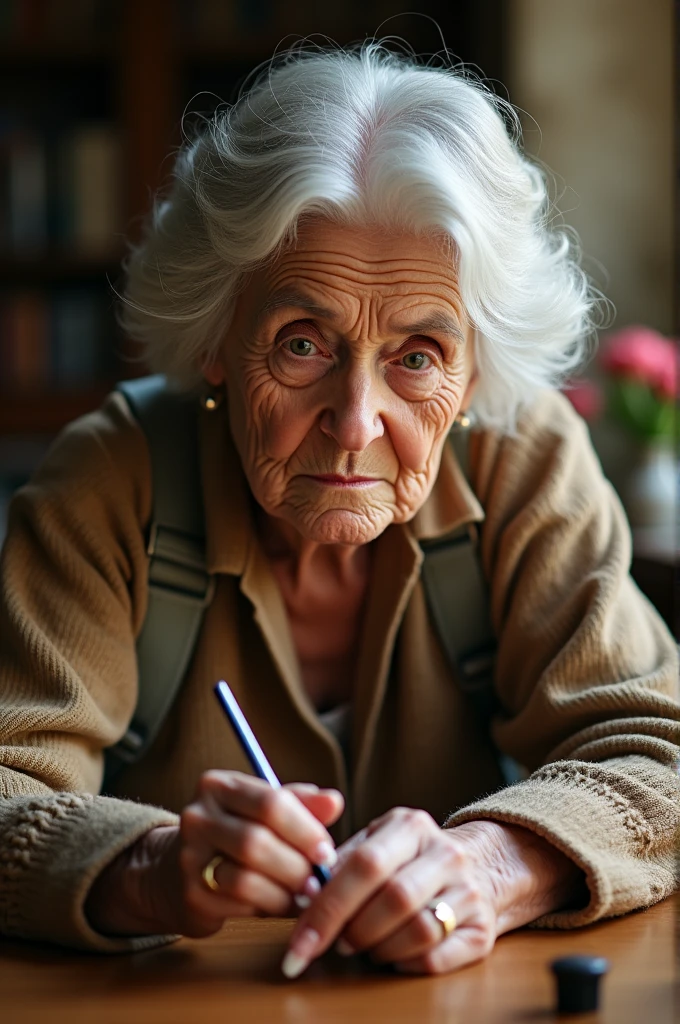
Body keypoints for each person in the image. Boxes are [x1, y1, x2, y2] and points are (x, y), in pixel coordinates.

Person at [0, 43, 677, 979]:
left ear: (477, 371)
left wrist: (492, 864)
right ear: (216, 339)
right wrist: (146, 868)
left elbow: (661, 754)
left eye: (419, 356)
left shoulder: (525, 461)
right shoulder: (111, 480)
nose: (356, 424)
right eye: (303, 343)